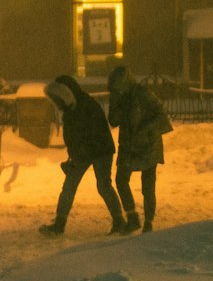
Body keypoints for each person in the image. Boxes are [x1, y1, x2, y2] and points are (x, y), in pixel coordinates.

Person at [39, 75, 129, 238]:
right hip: (85, 153)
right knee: (70, 186)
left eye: (58, 98)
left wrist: (76, 156)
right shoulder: (70, 109)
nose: (56, 103)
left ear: (65, 94)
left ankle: (119, 221)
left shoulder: (86, 106)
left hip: (100, 151)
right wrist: (72, 157)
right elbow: (74, 138)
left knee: (102, 186)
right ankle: (59, 224)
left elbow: (91, 135)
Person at [108, 65, 173, 234]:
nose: (118, 89)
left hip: (148, 144)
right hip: (129, 145)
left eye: (119, 86)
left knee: (148, 185)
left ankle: (149, 222)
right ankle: (132, 217)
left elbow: (161, 115)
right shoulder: (119, 98)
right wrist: (114, 101)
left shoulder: (142, 94)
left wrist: (145, 129)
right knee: (121, 180)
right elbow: (113, 121)